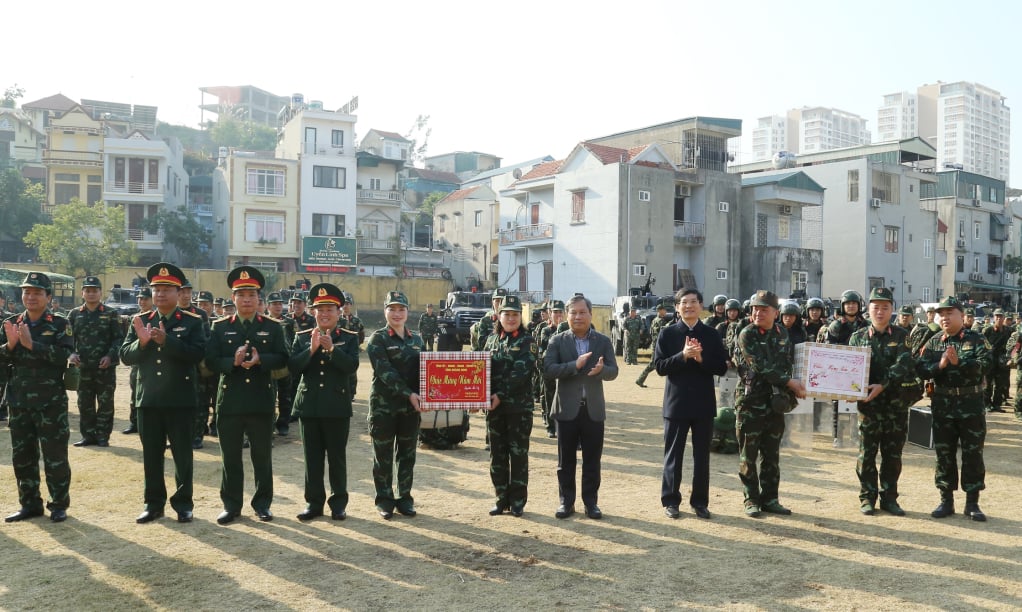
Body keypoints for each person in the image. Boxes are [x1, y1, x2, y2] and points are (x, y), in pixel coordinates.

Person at [120, 263, 206, 524]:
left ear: (178, 293)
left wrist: (167, 341)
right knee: (151, 456)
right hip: (149, 400)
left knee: (182, 455)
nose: (160, 294)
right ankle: (153, 503)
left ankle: (183, 504)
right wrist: (142, 341)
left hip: (179, 400)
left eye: (167, 289)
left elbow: (197, 354)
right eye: (156, 289)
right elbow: (124, 356)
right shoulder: (140, 321)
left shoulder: (191, 322)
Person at [205, 266, 289, 525]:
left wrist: (260, 359)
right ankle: (231, 505)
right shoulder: (219, 327)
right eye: (241, 295)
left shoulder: (273, 327)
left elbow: (284, 358)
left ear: (259, 299)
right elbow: (209, 361)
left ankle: (262, 504)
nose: (247, 300)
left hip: (260, 400)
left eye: (252, 295)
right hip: (230, 401)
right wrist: (233, 361)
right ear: (233, 299)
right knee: (230, 457)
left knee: (261, 456)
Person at [0, 272, 74, 523]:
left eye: (37, 293)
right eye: (26, 292)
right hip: (19, 401)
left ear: (48, 297)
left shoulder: (60, 323)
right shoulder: (10, 323)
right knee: (22, 456)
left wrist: (34, 345)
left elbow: (64, 355)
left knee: (54, 455)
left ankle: (58, 504)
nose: (30, 297)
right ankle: (29, 504)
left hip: (50, 401)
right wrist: (9, 346)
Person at [916, 295, 991, 521]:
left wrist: (960, 363)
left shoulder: (976, 339)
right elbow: (921, 369)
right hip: (943, 407)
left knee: (972, 454)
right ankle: (946, 501)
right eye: (942, 314)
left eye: (950, 313)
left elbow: (987, 365)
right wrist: (940, 365)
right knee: (944, 454)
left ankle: (972, 503)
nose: (945, 318)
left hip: (971, 406)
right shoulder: (934, 342)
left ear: (961, 315)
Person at [654, 289, 728, 520]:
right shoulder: (667, 334)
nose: (689, 306)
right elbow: (660, 367)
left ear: (701, 306)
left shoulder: (711, 334)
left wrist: (701, 359)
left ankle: (700, 502)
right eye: (684, 303)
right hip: (676, 404)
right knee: (673, 455)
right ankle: (671, 501)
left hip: (703, 404)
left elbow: (721, 367)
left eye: (693, 302)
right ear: (677, 307)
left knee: (702, 456)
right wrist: (683, 356)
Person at [544, 295, 619, 519]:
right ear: (567, 315)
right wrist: (573, 366)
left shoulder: (602, 341)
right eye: (573, 313)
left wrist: (601, 371)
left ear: (590, 314)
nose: (578, 317)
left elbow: (614, 371)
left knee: (592, 460)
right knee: (565, 461)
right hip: (566, 409)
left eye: (582, 312)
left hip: (593, 409)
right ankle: (566, 502)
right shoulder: (557, 341)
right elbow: (548, 369)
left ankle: (591, 503)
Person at [290, 283, 360, 521]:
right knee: (312, 458)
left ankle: (338, 503)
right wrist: (311, 350)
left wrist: (332, 350)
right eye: (320, 309)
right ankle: (313, 503)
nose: (325, 314)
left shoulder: (349, 338)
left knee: (337, 457)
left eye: (330, 309)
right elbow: (293, 367)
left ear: (339, 312)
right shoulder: (302, 337)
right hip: (309, 405)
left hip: (336, 407)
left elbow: (351, 366)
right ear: (313, 312)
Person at [733, 290, 806, 517]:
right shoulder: (746, 334)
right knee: (749, 455)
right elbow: (760, 366)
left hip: (775, 405)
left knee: (771, 455)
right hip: (750, 403)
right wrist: (790, 382)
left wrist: (797, 387)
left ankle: (771, 499)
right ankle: (751, 499)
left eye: (764, 309)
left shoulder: (782, 334)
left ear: (776, 312)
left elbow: (787, 365)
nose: (758, 313)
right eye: (755, 308)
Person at [847, 288, 915, 516]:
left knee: (892, 455)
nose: (880, 311)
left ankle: (889, 498)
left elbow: (904, 364)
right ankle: (867, 497)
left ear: (892, 310)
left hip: (895, 406)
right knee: (866, 454)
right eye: (876, 307)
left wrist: (883, 384)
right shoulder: (857, 337)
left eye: (885, 307)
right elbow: (848, 369)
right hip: (868, 407)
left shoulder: (901, 335)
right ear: (868, 309)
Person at [367, 291, 425, 519]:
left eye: (401, 309)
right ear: (385, 312)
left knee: (407, 455)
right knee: (383, 455)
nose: (397, 313)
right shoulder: (378, 339)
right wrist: (409, 393)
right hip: (384, 407)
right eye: (392, 309)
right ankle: (384, 500)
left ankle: (405, 499)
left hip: (411, 408)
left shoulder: (417, 340)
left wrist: (430, 395)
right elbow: (385, 373)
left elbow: (426, 371)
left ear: (408, 312)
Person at [480, 295, 537, 517]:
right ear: (499, 316)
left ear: (520, 317)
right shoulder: (491, 341)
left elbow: (520, 374)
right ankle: (500, 498)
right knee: (497, 454)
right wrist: (475, 397)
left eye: (515, 314)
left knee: (518, 455)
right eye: (507, 314)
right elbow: (479, 371)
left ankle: (518, 501)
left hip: (518, 410)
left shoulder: (527, 342)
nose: (511, 318)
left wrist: (500, 395)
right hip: (494, 410)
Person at [68, 275, 122, 448]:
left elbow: (118, 339)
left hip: (104, 367)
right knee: (85, 403)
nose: (91, 294)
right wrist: (71, 354)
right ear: (82, 293)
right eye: (88, 291)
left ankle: (102, 436)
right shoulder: (74, 314)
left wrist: (110, 356)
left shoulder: (111, 313)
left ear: (100, 293)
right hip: (82, 367)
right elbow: (67, 339)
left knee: (105, 403)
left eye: (95, 291)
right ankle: (88, 436)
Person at [176, 280, 211, 449]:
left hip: (196, 366)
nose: (185, 295)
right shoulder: (170, 313)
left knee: (200, 402)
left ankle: (197, 436)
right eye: (182, 291)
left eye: (188, 291)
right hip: (175, 367)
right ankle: (178, 436)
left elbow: (206, 339)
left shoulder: (200, 314)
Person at [122, 287, 152, 435]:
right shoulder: (134, 318)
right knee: (135, 393)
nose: (142, 301)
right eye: (140, 298)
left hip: (150, 362)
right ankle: (134, 422)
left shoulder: (153, 318)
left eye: (145, 299)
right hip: (136, 363)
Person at [265, 292, 294, 436]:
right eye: (274, 304)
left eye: (279, 304)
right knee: (269, 396)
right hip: (269, 364)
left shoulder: (289, 322)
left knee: (285, 396)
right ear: (268, 306)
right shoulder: (263, 321)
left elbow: (295, 341)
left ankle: (283, 423)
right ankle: (269, 426)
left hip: (285, 364)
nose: (277, 306)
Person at [538, 300, 565, 438]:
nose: (558, 315)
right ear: (550, 313)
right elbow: (547, 344)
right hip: (549, 369)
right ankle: (550, 426)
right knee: (549, 397)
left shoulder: (568, 330)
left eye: (560, 312)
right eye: (555, 312)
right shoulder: (546, 330)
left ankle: (563, 426)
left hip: (564, 370)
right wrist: (559, 330)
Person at [636, 301, 672, 387]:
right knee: (653, 364)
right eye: (664, 310)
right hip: (658, 346)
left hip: (656, 345)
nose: (665, 312)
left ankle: (640, 380)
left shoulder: (654, 320)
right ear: (659, 311)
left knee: (658, 364)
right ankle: (640, 380)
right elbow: (664, 331)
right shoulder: (660, 321)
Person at [982, 309, 1010, 413]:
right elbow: (982, 345)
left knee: (1000, 384)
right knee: (988, 384)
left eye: (1000, 316)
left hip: (1002, 363)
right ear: (994, 318)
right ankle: (987, 404)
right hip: (990, 362)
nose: (998, 318)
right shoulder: (987, 331)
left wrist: (1010, 357)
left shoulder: (1008, 331)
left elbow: (1015, 345)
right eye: (996, 316)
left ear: (1003, 318)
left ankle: (997, 404)